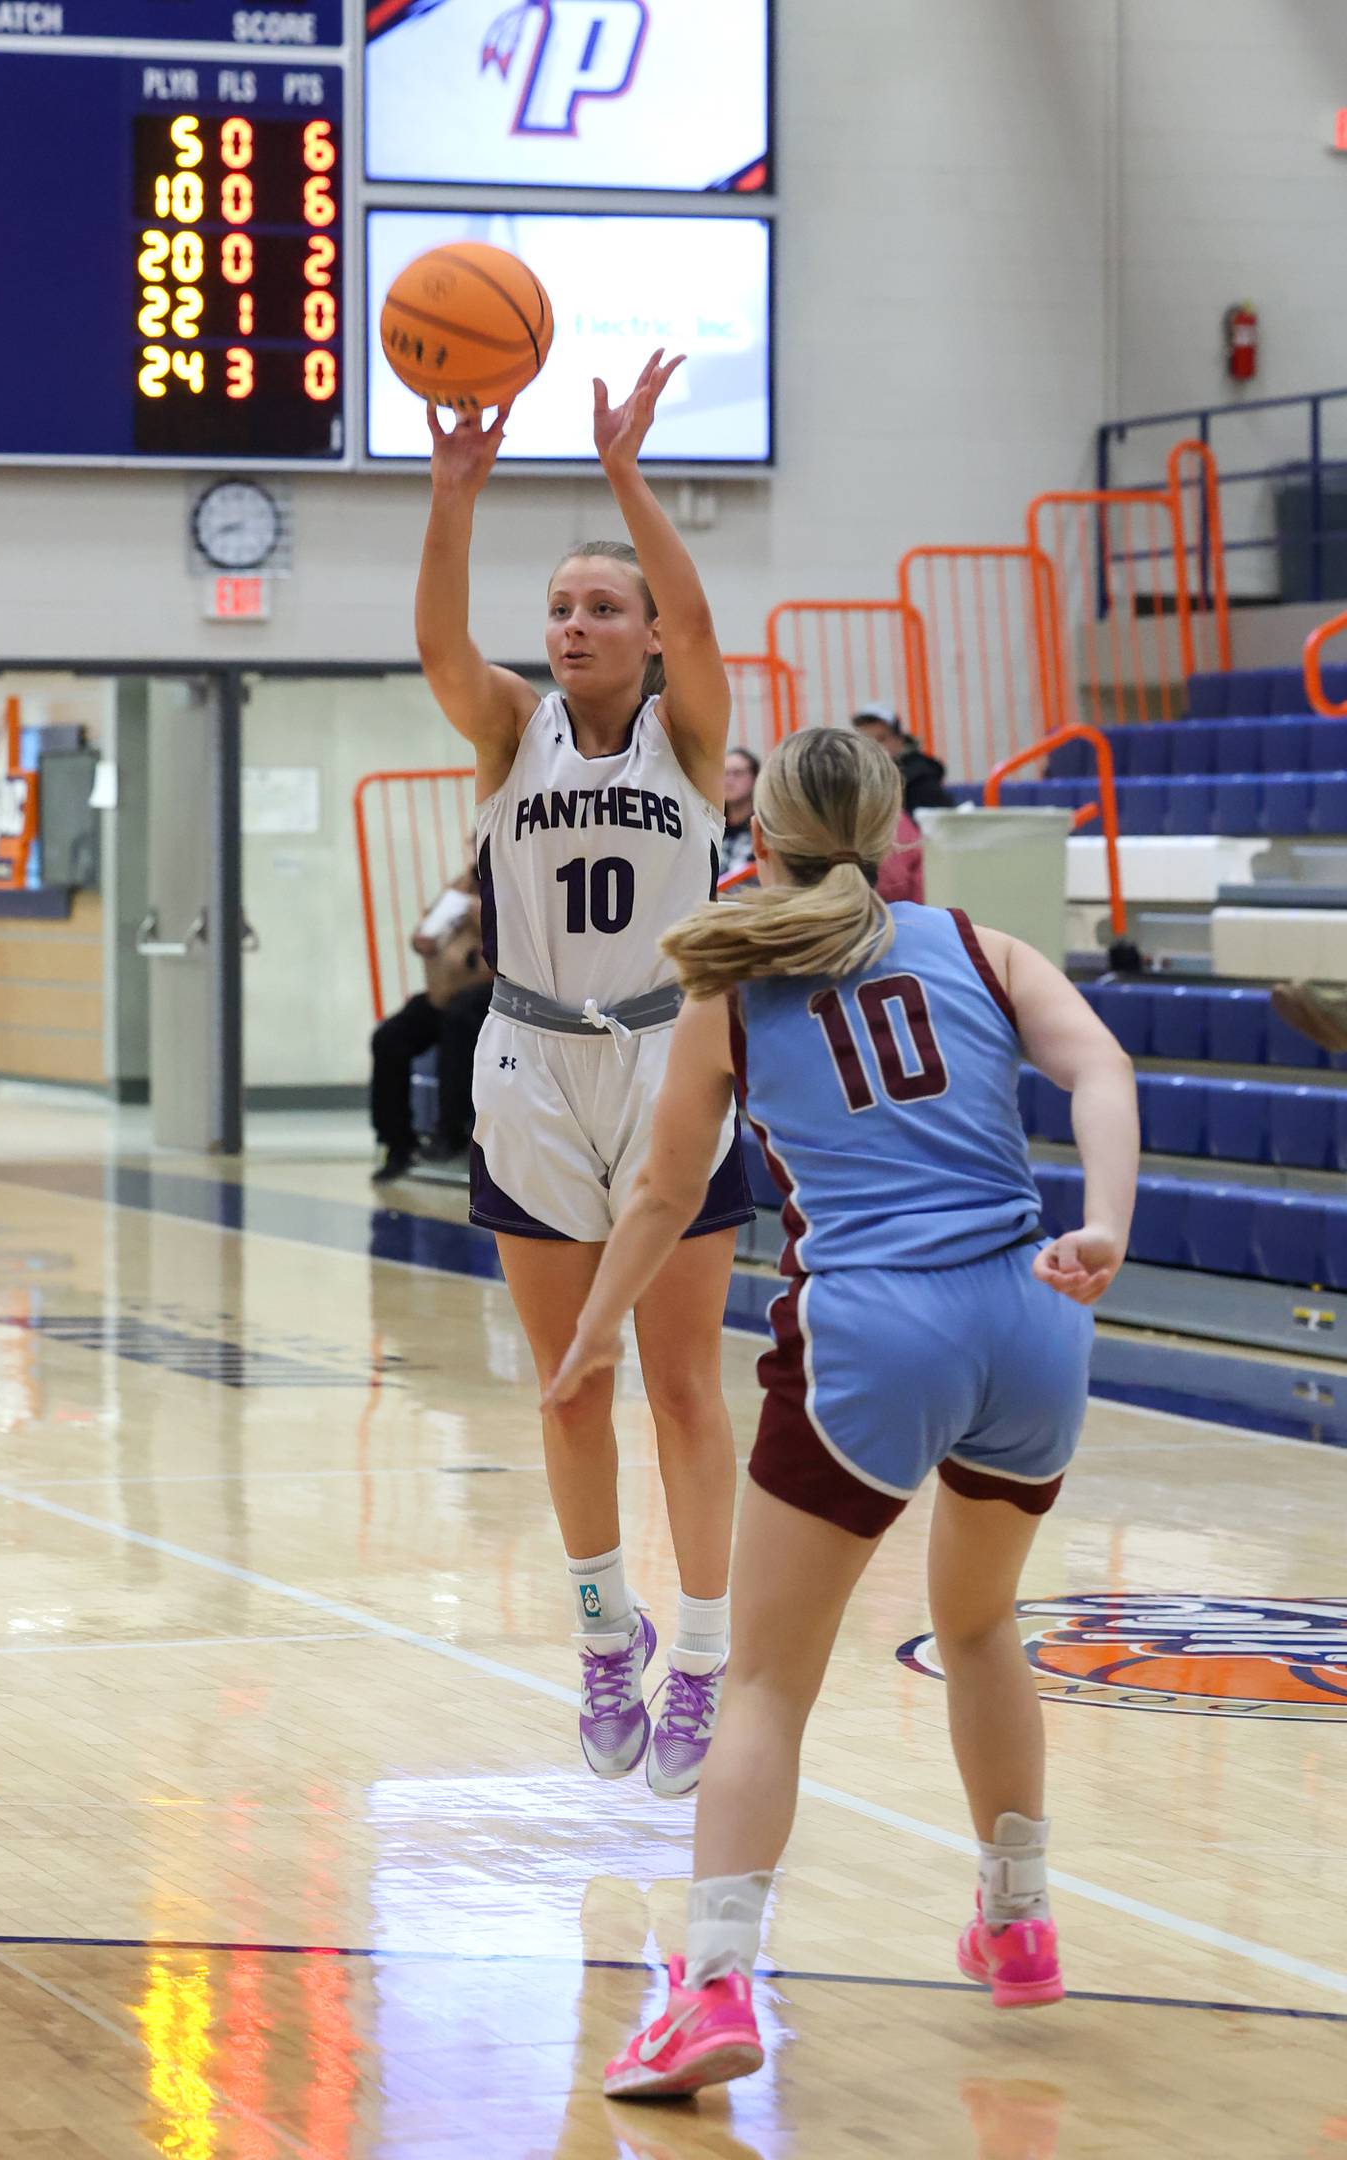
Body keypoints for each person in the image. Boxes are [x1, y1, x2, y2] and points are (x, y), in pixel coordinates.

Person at [544, 727, 1139, 2098]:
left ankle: (707, 1991)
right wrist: (1103, 1224)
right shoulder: (981, 946)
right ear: (896, 829)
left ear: (761, 838)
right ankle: (1019, 1921)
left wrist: (588, 1341)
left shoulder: (733, 979)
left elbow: (660, 1195)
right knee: (981, 1625)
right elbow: (1102, 1068)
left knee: (762, 1681)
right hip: (1034, 1318)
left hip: (877, 1329)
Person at [413, 350, 753, 1798]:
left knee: (680, 1382)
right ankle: (604, 1635)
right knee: (565, 1385)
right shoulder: (509, 730)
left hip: (671, 1056)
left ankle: (705, 1659)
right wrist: (451, 498)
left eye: (600, 607)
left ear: (649, 637)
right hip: (534, 1061)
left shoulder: (691, 732)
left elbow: (698, 609)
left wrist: (627, 472)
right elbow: (439, 644)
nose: (572, 624)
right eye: (558, 607)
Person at [370, 858, 494, 1184]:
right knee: (389, 1038)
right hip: (445, 995)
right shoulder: (462, 884)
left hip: (491, 996)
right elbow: (425, 930)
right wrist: (420, 939)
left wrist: (477, 910)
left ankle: (451, 1133)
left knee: (459, 1025)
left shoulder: (515, 882)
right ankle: (397, 1144)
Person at [853, 701, 954, 816]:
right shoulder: (858, 776)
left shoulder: (920, 780)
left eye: (881, 739)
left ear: (899, 740)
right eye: (865, 741)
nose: (873, 747)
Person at [719, 747, 759, 881]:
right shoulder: (711, 826)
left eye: (737, 773)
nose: (729, 780)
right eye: (724, 773)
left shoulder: (765, 828)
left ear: (754, 778)